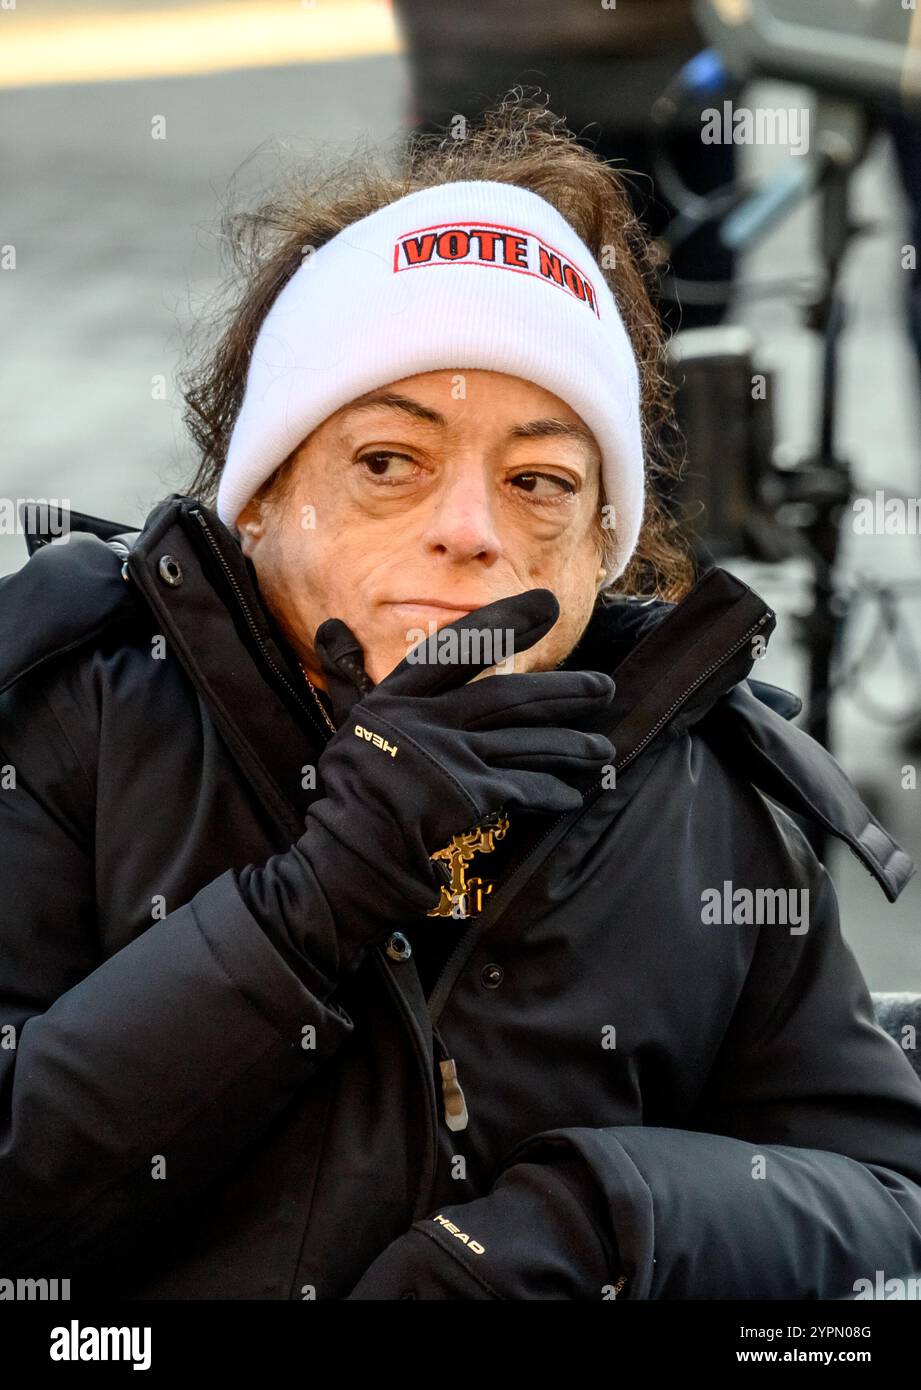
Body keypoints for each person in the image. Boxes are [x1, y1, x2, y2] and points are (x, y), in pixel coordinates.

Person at [1, 96, 920, 1301]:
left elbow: (885, 1221)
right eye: (390, 462)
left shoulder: (704, 801)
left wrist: (595, 1228)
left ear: (603, 550)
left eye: (540, 480)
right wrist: (318, 898)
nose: (473, 533)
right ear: (261, 496)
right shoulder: (83, 723)